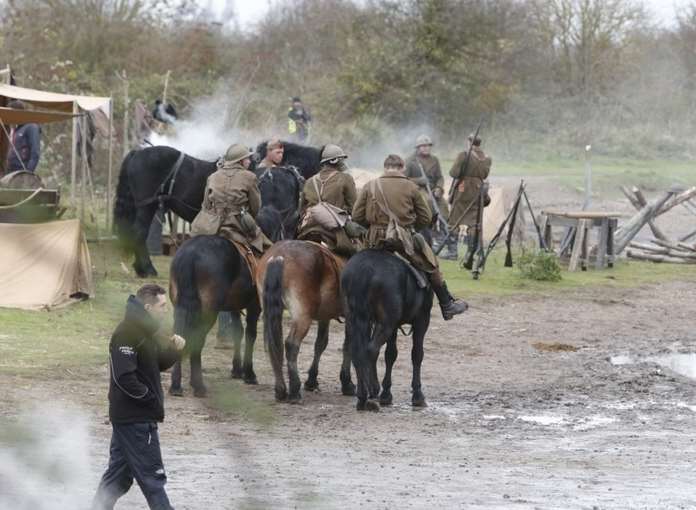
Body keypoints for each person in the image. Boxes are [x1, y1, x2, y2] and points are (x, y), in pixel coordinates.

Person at [92, 284, 186, 510]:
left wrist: (175, 350)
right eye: (162, 306)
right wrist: (150, 401)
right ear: (148, 307)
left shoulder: (145, 330)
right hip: (136, 418)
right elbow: (124, 377)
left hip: (130, 417)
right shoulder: (127, 332)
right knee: (153, 479)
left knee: (118, 478)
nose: (166, 311)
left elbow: (155, 364)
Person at [352, 154, 468, 320]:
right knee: (431, 264)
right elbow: (425, 217)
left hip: (373, 241)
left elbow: (357, 216)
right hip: (402, 239)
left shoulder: (370, 185)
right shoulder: (411, 187)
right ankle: (447, 305)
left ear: (385, 168)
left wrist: (372, 228)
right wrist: (412, 229)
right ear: (402, 168)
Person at [190, 143, 270, 256]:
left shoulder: (213, 176)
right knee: (266, 248)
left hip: (212, 224)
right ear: (240, 161)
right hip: (238, 223)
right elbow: (255, 207)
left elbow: (206, 205)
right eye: (247, 158)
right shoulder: (249, 177)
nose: (249, 161)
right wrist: (247, 218)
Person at [297, 144, 361, 256]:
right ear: (335, 161)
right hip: (334, 229)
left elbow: (301, 209)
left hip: (309, 227)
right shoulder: (345, 179)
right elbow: (354, 208)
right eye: (341, 160)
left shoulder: (309, 181)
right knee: (358, 254)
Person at [448, 134, 492, 266]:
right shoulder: (487, 158)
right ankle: (470, 253)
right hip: (478, 191)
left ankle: (452, 251)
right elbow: (484, 175)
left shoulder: (464, 155)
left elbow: (453, 173)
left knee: (454, 220)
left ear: (469, 142)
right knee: (474, 223)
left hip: (463, 190)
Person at [404, 135, 449, 251]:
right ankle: (427, 235)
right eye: (423, 146)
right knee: (427, 203)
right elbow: (404, 179)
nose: (426, 148)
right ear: (418, 148)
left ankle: (442, 239)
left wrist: (439, 188)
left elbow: (440, 177)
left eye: (428, 146)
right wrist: (419, 181)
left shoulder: (435, 160)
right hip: (418, 190)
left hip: (434, 191)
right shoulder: (410, 161)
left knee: (443, 207)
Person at [6, 99, 41, 173]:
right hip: (12, 170)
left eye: (11, 114)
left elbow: (35, 153)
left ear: (18, 113)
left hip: (23, 170)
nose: (9, 117)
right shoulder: (16, 129)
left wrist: (28, 172)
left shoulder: (31, 126)